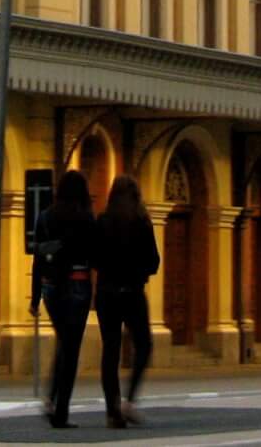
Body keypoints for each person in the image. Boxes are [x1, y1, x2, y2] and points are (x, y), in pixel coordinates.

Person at [30, 170, 97, 428]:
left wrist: (35, 297)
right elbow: (94, 254)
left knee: (64, 344)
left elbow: (38, 258)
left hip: (51, 288)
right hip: (78, 284)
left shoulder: (45, 217)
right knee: (71, 349)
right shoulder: (86, 218)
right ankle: (60, 410)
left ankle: (51, 400)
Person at [94, 175, 161, 428]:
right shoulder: (142, 222)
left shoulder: (102, 221)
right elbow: (154, 261)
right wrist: (138, 270)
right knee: (143, 344)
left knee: (110, 350)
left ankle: (113, 409)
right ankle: (129, 401)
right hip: (132, 291)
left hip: (106, 293)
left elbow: (94, 258)